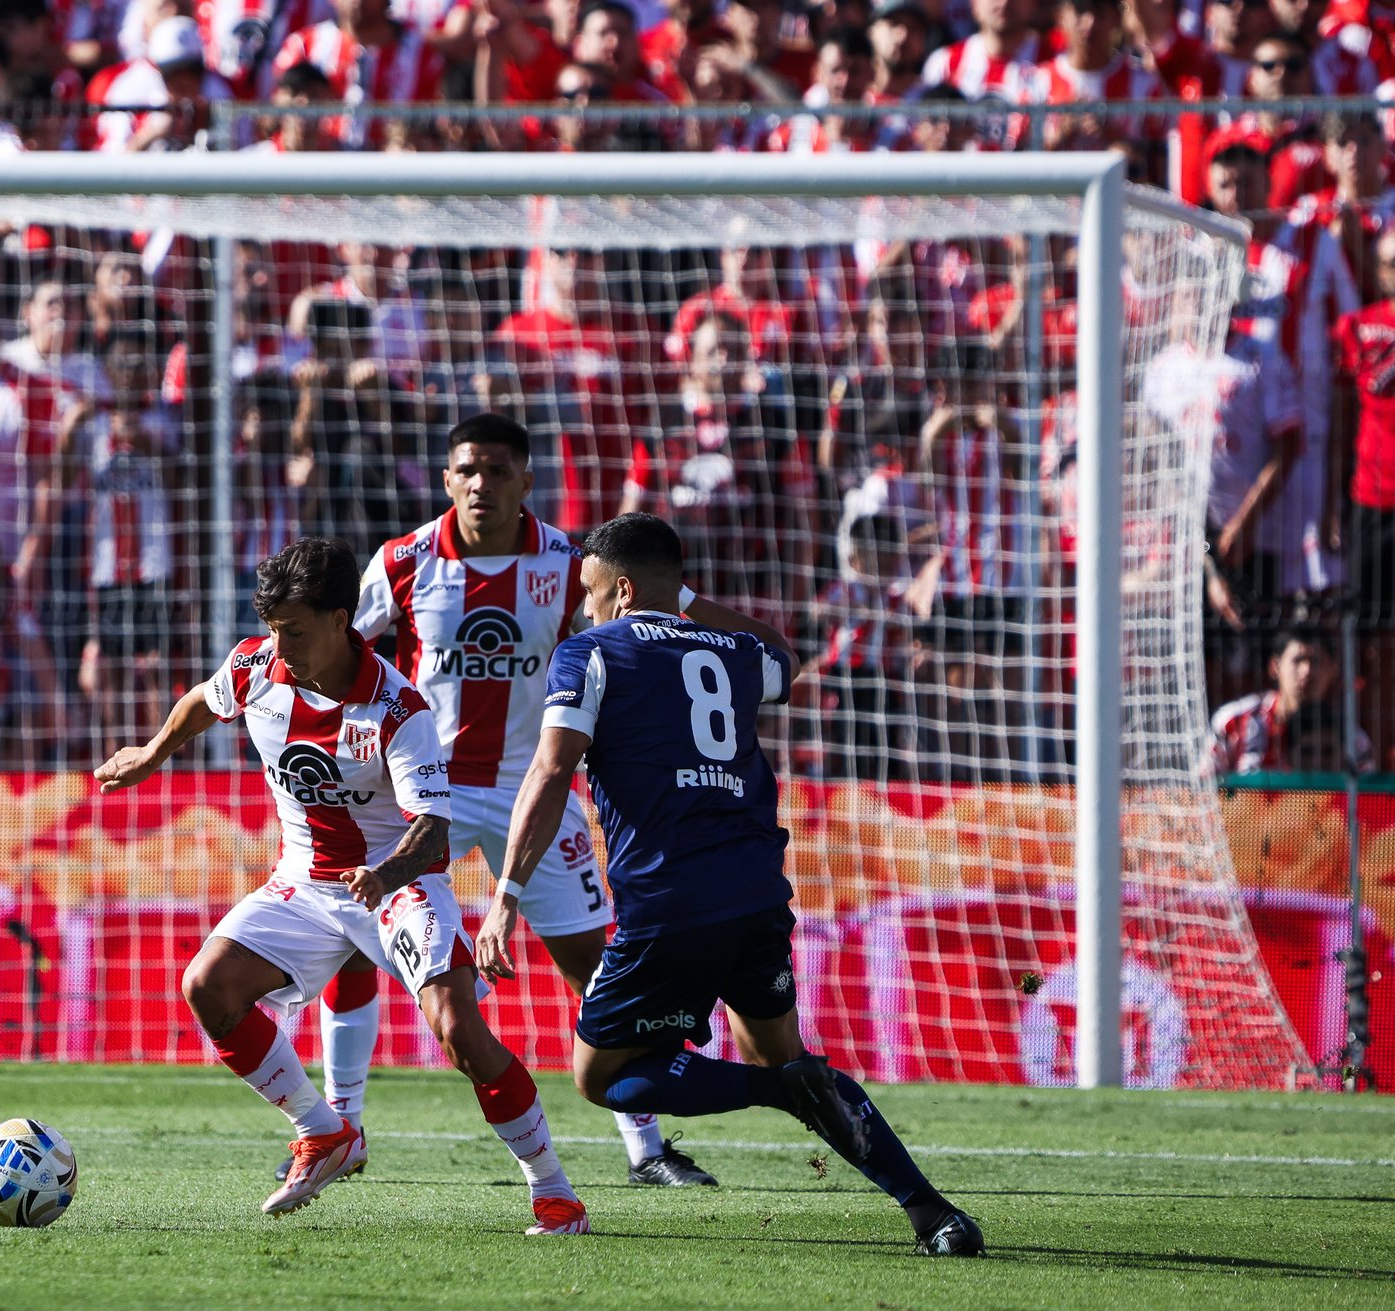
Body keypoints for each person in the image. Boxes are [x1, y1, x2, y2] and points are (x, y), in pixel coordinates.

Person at [481, 511, 985, 1257]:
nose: (582, 608)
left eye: (589, 592)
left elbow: (552, 769)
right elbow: (785, 657)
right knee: (782, 1048)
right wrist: (686, 602)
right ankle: (934, 1212)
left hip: (667, 902)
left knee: (600, 1073)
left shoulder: (590, 652)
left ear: (620, 589)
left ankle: (777, 1091)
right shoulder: (735, 650)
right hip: (756, 892)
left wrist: (506, 896)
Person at [93, 537, 591, 1233]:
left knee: (459, 1032)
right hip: (304, 881)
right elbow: (203, 703)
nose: (279, 643)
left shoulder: (397, 709)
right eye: (271, 628)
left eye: (293, 629)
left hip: (395, 886)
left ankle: (555, 1190)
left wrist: (383, 874)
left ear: (339, 620)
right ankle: (324, 1130)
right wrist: (150, 755)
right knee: (207, 984)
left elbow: (433, 831)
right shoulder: (256, 667)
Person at [314, 413, 721, 1187]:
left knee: (594, 963)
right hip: (424, 788)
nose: (481, 484)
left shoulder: (569, 562)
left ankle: (646, 1145)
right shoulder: (402, 561)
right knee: (349, 933)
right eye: (467, 469)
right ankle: (342, 1126)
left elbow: (652, 616)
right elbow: (342, 650)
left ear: (525, 481)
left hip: (530, 786)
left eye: (497, 470)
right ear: (446, 479)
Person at [1210, 626, 1375, 774]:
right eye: (1298, 660)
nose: (1306, 671)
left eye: (1316, 661)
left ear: (1333, 669)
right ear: (1275, 666)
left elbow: (1367, 800)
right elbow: (1202, 790)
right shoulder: (1235, 721)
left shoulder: (1353, 738)